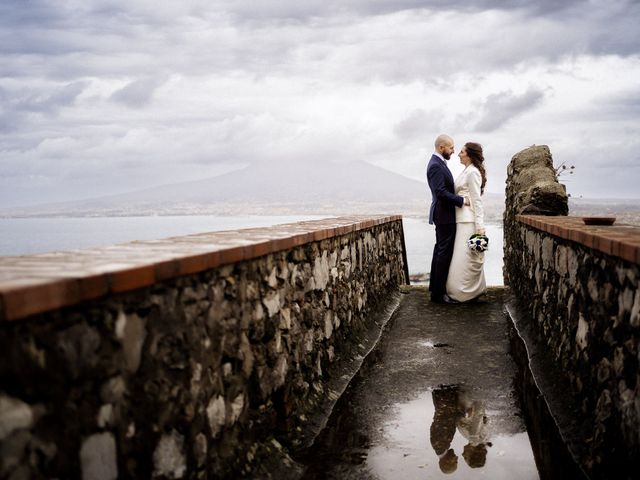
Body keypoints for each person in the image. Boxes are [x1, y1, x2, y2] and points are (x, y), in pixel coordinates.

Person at [427, 134, 468, 304]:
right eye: (451, 147)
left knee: (440, 251)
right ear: (441, 147)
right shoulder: (436, 165)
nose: (453, 151)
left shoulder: (438, 163)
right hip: (444, 215)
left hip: (444, 214)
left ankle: (434, 289)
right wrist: (462, 200)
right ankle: (439, 294)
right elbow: (440, 192)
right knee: (444, 253)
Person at [446, 142, 487, 302]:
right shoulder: (466, 171)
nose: (458, 154)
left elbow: (477, 201)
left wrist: (480, 227)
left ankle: (467, 293)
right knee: (462, 259)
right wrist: (463, 199)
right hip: (461, 220)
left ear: (469, 154)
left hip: (468, 222)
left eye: (462, 152)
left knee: (467, 258)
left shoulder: (473, 173)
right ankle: (464, 292)